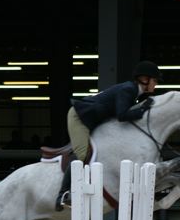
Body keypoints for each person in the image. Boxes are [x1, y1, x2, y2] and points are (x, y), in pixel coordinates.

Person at [55, 60, 162, 211]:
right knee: (82, 154)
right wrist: (144, 108)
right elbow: (122, 115)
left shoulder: (133, 91)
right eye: (155, 80)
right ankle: (63, 195)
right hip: (80, 117)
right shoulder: (128, 89)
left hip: (93, 119)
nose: (156, 84)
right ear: (144, 79)